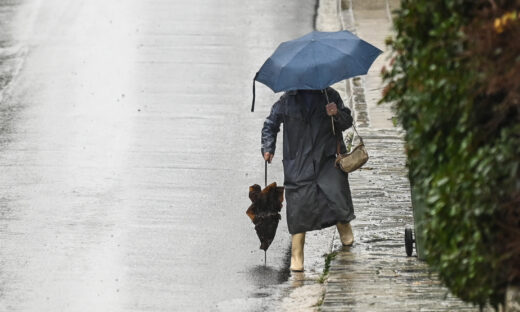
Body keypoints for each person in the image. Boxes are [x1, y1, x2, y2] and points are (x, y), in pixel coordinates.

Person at [261, 87, 355, 272]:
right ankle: (297, 257)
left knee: (336, 196)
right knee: (298, 206)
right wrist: (267, 147)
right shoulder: (287, 100)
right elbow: (270, 124)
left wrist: (336, 114)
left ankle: (346, 233)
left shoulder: (330, 96)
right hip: (298, 163)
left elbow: (346, 122)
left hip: (327, 160)